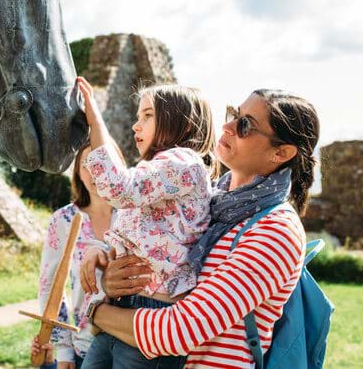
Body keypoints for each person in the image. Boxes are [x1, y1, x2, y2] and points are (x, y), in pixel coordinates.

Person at [86, 89, 320, 369]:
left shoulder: (276, 230)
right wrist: (114, 279)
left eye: (245, 125)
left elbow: (178, 332)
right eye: (234, 114)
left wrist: (96, 312)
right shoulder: (209, 204)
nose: (227, 127)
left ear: (280, 153)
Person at [72, 77, 218, 369]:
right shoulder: (156, 171)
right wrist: (101, 250)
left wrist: (96, 123)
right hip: (124, 309)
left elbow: (118, 189)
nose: (136, 126)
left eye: (148, 116)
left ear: (184, 124)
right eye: (138, 117)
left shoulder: (184, 163)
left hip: (153, 315)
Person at [30, 139, 121, 369]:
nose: (94, 170)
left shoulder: (134, 215)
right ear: (78, 172)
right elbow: (51, 286)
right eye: (86, 164)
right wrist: (63, 350)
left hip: (132, 347)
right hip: (84, 348)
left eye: (101, 162)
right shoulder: (63, 220)